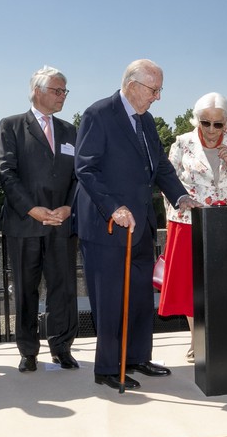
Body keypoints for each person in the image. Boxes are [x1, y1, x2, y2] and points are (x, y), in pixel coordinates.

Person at [74, 59, 197, 391]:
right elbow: (85, 168)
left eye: (160, 90)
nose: (158, 97)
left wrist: (180, 196)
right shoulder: (98, 114)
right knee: (111, 297)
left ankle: (137, 357)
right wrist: (114, 207)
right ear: (132, 85)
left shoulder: (146, 121)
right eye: (154, 90)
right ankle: (107, 367)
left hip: (141, 224)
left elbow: (159, 165)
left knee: (141, 296)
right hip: (107, 225)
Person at [158, 92, 227, 362]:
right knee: (192, 285)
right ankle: (196, 338)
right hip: (188, 223)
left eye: (218, 124)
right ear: (197, 121)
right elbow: (167, 182)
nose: (212, 130)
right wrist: (178, 209)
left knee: (224, 283)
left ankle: (222, 337)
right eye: (206, 123)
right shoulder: (182, 142)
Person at [0, 66, 80, 373]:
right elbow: (7, 173)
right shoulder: (11, 126)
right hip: (25, 223)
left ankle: (62, 347)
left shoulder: (71, 130)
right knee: (26, 289)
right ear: (37, 91)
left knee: (64, 287)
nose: (63, 97)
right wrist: (32, 208)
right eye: (57, 91)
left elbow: (79, 176)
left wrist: (69, 208)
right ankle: (28, 350)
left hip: (61, 223)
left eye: (64, 91)